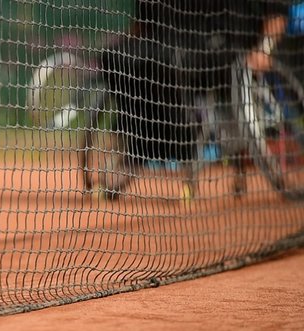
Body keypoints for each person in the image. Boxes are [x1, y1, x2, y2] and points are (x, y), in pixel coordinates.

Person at [96, 0, 291, 195]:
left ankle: (179, 143)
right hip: (170, 45)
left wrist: (263, 49)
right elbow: (144, 22)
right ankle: (134, 141)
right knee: (113, 57)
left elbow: (277, 12)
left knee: (168, 63)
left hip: (223, 50)